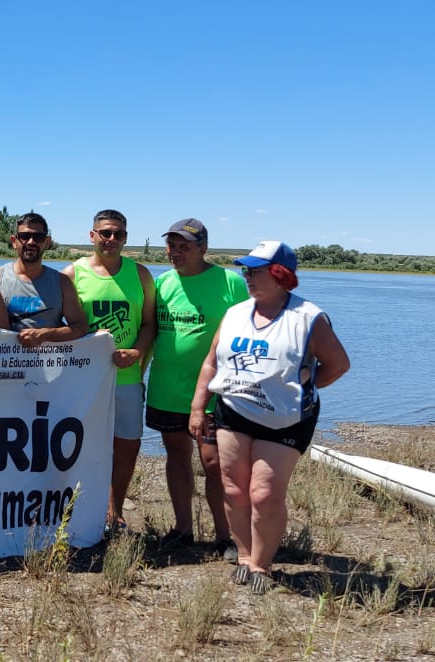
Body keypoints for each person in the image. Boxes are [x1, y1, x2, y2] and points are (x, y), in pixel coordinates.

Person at [190, 241, 349, 594]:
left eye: (255, 271)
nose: (247, 277)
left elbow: (338, 365)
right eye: (245, 271)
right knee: (233, 488)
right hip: (233, 410)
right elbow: (212, 362)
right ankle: (245, 557)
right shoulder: (235, 314)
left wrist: (299, 387)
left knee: (264, 494)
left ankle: (262, 564)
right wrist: (198, 406)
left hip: (286, 419)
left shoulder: (308, 318)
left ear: (280, 276)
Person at [146, 219, 248, 556]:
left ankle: (224, 536)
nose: (175, 252)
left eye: (184, 246)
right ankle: (183, 530)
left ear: (203, 248)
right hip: (166, 388)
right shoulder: (161, 284)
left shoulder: (230, 283)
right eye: (171, 246)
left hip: (214, 391)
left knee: (214, 462)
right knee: (176, 456)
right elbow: (148, 329)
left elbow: (248, 330)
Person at [62, 209, 155, 533]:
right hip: (85, 380)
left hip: (126, 378)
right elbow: (62, 325)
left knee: (127, 445)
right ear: (92, 236)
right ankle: (79, 509)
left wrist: (139, 351)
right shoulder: (73, 274)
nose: (111, 239)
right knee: (79, 445)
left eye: (117, 233)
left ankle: (114, 512)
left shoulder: (140, 274)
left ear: (126, 238)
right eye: (105, 232)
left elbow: (148, 324)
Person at [0, 213, 88, 344]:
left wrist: (46, 335)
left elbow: (81, 327)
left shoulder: (62, 283)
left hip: (47, 362)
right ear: (14, 241)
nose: (31, 242)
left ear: (47, 242)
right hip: (3, 361)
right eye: (24, 236)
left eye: (38, 237)